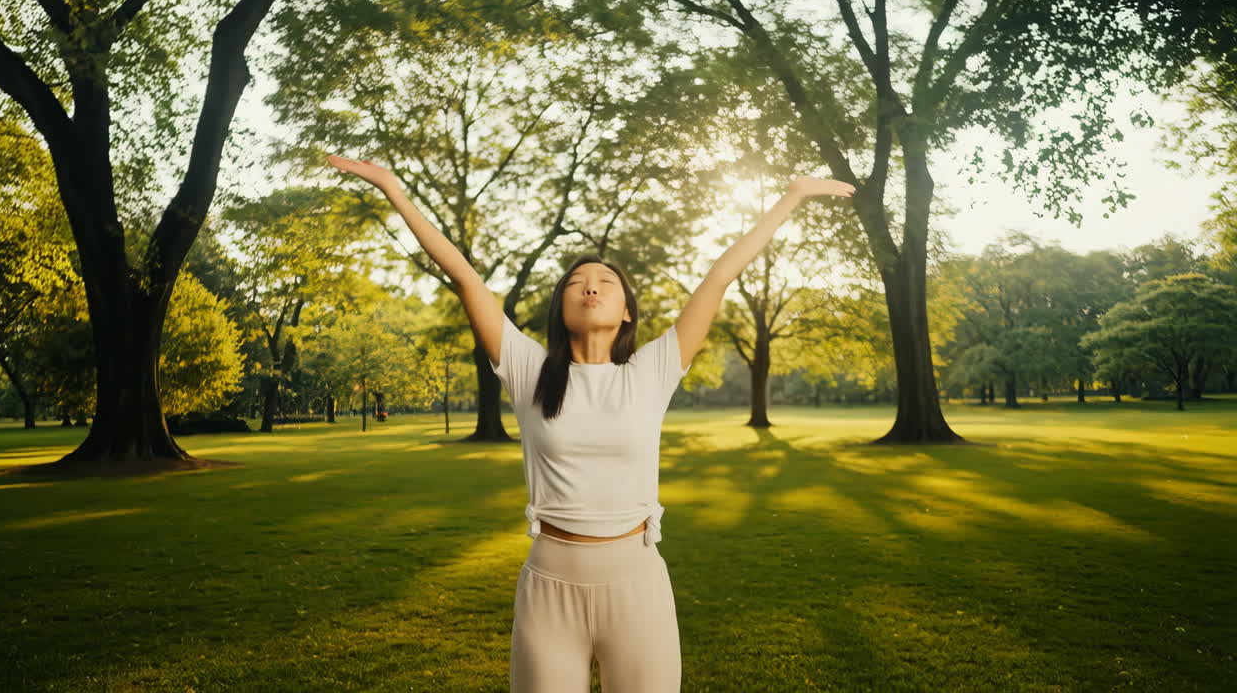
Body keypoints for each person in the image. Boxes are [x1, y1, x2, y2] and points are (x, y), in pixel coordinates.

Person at [327, 153, 854, 692]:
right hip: (549, 588)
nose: (591, 287)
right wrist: (393, 186)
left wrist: (790, 196)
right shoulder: (528, 368)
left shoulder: (651, 370)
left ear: (627, 310)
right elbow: (463, 275)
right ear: (562, 307)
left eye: (605, 281)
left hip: (638, 587)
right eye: (577, 282)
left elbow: (719, 277)